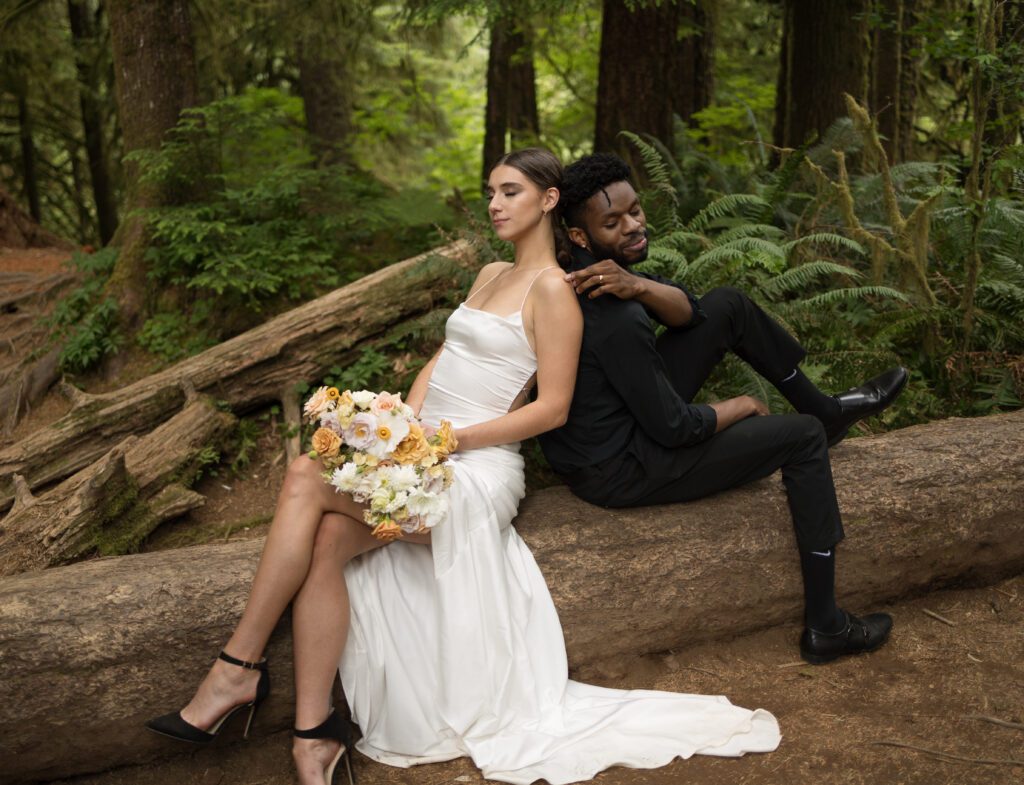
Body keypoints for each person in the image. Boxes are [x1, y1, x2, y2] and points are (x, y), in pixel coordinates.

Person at [146, 148, 781, 785]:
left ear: (549, 200)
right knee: (328, 541)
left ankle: (236, 668)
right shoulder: (489, 271)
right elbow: (441, 362)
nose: (495, 205)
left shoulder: (555, 292)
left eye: (509, 192)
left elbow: (552, 410)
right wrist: (397, 426)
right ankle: (314, 736)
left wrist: (450, 440)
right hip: (424, 447)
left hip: (479, 467)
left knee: (307, 474)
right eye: (491, 193)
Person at [539, 152, 907, 666]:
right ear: (580, 236)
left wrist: (642, 285)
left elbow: (694, 313)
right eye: (612, 222)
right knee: (801, 439)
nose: (633, 226)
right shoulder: (613, 317)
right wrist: (737, 406)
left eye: (635, 211)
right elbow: (673, 428)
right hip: (622, 466)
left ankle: (826, 410)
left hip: (618, 418)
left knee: (728, 305)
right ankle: (826, 626)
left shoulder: (595, 275)